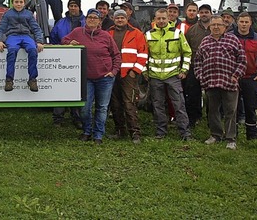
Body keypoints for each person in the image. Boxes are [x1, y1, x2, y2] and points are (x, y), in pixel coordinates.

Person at [62, 9, 121, 145]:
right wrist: (69, 43)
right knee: (85, 107)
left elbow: (116, 55)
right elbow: (64, 40)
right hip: (86, 78)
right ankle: (87, 131)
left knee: (102, 107)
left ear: (100, 21)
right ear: (86, 19)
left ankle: (98, 134)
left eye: (95, 17)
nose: (92, 20)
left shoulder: (106, 36)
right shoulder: (78, 32)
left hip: (105, 78)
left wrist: (114, 71)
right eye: (90, 17)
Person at [194, 15, 247, 150]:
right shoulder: (205, 41)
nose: (216, 27)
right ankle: (215, 135)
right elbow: (197, 61)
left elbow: (242, 61)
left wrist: (235, 76)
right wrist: (201, 76)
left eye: (219, 25)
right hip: (210, 83)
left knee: (230, 111)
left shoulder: (233, 40)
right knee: (213, 111)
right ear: (210, 27)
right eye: (213, 25)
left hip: (229, 83)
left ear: (225, 27)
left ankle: (230, 139)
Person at [145, 8, 192, 140]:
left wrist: (184, 70)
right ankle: (161, 132)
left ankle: (185, 133)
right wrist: (144, 71)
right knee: (158, 105)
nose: (161, 21)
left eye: (163, 18)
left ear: (168, 19)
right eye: (158, 18)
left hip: (173, 76)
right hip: (154, 77)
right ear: (154, 19)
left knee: (179, 104)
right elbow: (144, 55)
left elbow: (187, 52)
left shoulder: (177, 33)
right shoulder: (148, 35)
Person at [108, 9, 147, 144]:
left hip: (129, 74)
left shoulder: (136, 33)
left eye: (122, 18)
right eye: (117, 18)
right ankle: (120, 130)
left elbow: (143, 54)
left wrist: (135, 71)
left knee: (129, 103)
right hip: (113, 74)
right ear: (113, 19)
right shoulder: (108, 33)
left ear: (127, 19)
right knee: (115, 103)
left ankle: (135, 133)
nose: (120, 20)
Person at [0, 0, 45, 92]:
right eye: (16, 2)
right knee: (12, 50)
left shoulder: (29, 14)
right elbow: (0, 28)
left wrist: (39, 41)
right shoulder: (8, 14)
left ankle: (32, 79)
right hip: (13, 36)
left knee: (32, 50)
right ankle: (9, 80)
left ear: (24, 3)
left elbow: (36, 28)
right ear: (12, 3)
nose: (19, 4)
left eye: (21, 2)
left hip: (26, 36)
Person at [50, 0, 85, 128]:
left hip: (81, 61)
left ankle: (77, 117)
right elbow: (53, 38)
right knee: (60, 88)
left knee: (77, 90)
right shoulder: (60, 23)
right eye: (71, 6)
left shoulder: (86, 22)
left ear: (79, 7)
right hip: (63, 61)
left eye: (75, 6)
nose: (73, 8)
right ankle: (58, 118)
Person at [233, 12, 257, 140]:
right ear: (237, 22)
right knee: (233, 108)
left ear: (250, 23)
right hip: (234, 78)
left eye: (246, 22)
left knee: (251, 107)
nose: (243, 24)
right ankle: (233, 134)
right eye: (241, 22)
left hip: (251, 78)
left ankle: (252, 134)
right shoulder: (230, 37)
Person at [184, 3, 212, 127]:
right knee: (193, 93)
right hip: (195, 66)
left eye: (207, 12)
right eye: (202, 12)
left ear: (211, 14)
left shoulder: (216, 28)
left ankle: (212, 118)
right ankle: (193, 118)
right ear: (199, 14)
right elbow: (186, 48)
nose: (204, 14)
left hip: (213, 67)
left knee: (212, 94)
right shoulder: (192, 30)